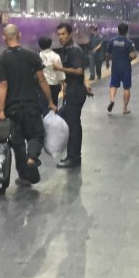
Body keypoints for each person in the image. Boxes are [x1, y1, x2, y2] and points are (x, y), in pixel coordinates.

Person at [0, 24, 58, 186]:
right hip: (31, 104)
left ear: (4, 37)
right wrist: (50, 101)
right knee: (37, 134)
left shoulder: (1, 58)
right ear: (19, 35)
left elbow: (3, 84)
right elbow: (42, 80)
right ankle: (32, 157)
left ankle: (24, 175)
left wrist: (0, 110)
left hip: (12, 107)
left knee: (17, 142)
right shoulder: (31, 55)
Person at [55, 22, 90, 168]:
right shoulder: (68, 49)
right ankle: (73, 156)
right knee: (71, 122)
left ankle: (74, 157)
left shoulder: (74, 50)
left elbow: (79, 70)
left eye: (63, 34)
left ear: (70, 34)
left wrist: (60, 69)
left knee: (73, 125)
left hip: (75, 91)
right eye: (59, 34)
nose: (61, 37)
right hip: (74, 89)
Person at [105, 21, 138, 115]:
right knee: (126, 88)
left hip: (115, 67)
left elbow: (107, 54)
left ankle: (112, 100)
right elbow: (132, 55)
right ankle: (124, 108)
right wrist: (134, 56)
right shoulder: (129, 42)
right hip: (126, 67)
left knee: (113, 85)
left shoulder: (112, 41)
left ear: (118, 30)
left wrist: (107, 63)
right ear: (127, 31)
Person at [38, 35, 65, 111]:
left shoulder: (37, 56)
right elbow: (60, 72)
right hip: (54, 85)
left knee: (43, 106)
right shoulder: (55, 56)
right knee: (54, 105)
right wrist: (63, 84)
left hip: (42, 86)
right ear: (50, 44)